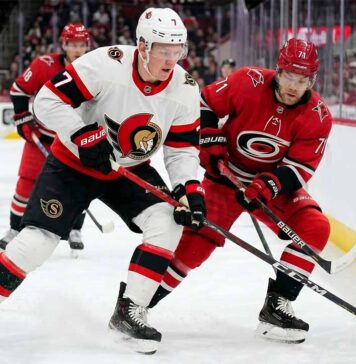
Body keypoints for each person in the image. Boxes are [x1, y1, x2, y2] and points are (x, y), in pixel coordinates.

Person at [0, 8, 205, 354]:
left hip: (129, 169)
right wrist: (81, 134)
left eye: (177, 50)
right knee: (34, 244)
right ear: (142, 45)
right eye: (163, 50)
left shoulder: (185, 89)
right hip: (72, 164)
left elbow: (182, 150)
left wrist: (189, 190)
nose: (171, 60)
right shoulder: (106, 63)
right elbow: (47, 101)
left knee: (167, 222)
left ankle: (130, 311)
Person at [149, 38, 332, 344]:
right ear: (278, 70)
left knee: (314, 228)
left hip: (270, 189)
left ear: (311, 80)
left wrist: (267, 185)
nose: (293, 86)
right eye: (288, 76)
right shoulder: (248, 81)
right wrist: (211, 140)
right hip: (226, 178)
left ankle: (276, 307)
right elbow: (205, 104)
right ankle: (139, 304)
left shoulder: (318, 115)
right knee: (193, 248)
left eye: (302, 80)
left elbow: (300, 168)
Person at [0, 23, 91, 253]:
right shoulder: (45, 65)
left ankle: (74, 228)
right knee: (26, 183)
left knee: (78, 186)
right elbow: (19, 90)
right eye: (72, 45)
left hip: (75, 140)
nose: (77, 50)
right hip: (43, 135)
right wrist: (22, 119)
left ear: (87, 46)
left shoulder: (96, 69)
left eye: (81, 45)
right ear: (63, 45)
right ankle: (14, 229)